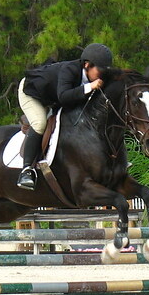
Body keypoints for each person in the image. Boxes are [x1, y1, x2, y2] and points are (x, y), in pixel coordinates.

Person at [15, 43, 113, 189]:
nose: (103, 75)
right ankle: (27, 170)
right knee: (40, 123)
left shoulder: (94, 78)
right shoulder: (70, 70)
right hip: (32, 92)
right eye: (100, 70)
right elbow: (63, 96)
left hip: (53, 95)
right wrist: (89, 87)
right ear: (87, 65)